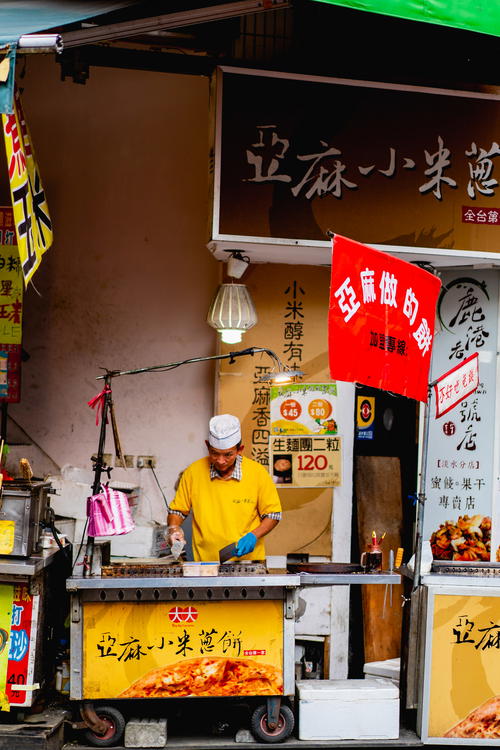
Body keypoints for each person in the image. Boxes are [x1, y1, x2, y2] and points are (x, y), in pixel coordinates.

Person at [167, 414, 281, 562]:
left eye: (228, 455)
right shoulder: (193, 473)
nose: (221, 461)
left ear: (240, 450)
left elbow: (273, 515)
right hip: (206, 563)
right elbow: (177, 510)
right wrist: (173, 528)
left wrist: (254, 535)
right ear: (207, 446)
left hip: (248, 562)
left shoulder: (257, 473)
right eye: (215, 453)